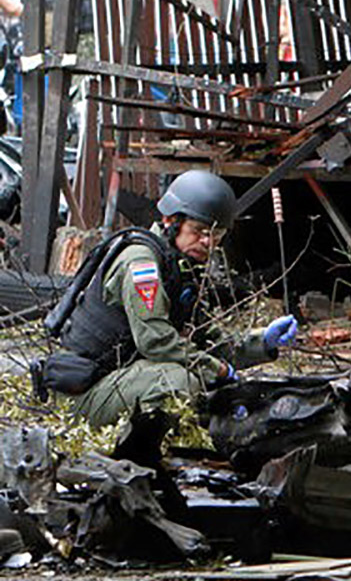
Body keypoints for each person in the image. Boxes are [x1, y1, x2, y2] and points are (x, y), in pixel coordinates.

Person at [36, 170, 299, 427]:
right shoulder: (141, 262)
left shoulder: (181, 268)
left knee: (200, 381)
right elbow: (155, 340)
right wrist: (218, 370)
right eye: (199, 231)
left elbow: (206, 340)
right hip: (83, 392)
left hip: (120, 379)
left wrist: (262, 342)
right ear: (171, 221)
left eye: (216, 236)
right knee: (180, 382)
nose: (207, 242)